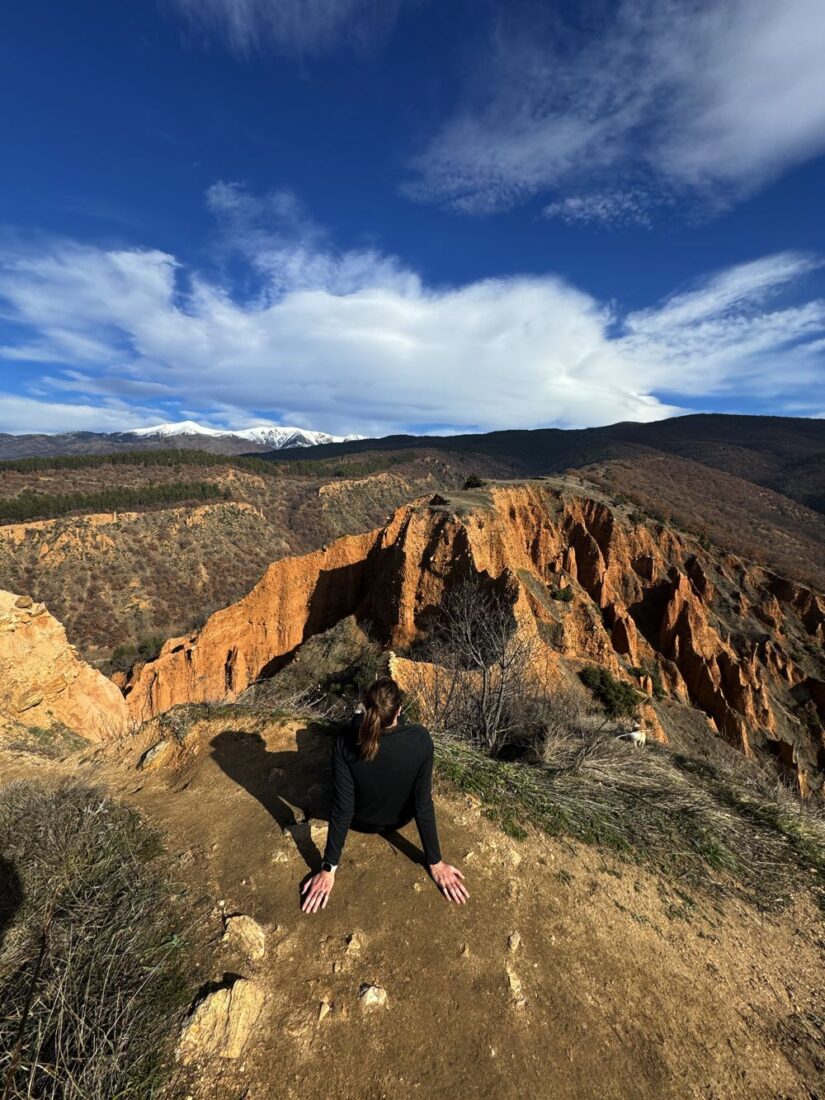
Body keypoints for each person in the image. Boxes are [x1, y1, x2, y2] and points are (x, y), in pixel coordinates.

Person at [301, 676, 469, 913]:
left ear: (367, 707)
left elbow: (343, 808)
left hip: (360, 822)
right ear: (398, 710)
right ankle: (382, 718)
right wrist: (436, 862)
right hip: (400, 819)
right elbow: (422, 804)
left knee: (354, 722)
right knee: (383, 725)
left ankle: (372, 717)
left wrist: (329, 868)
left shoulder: (344, 741)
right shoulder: (420, 739)